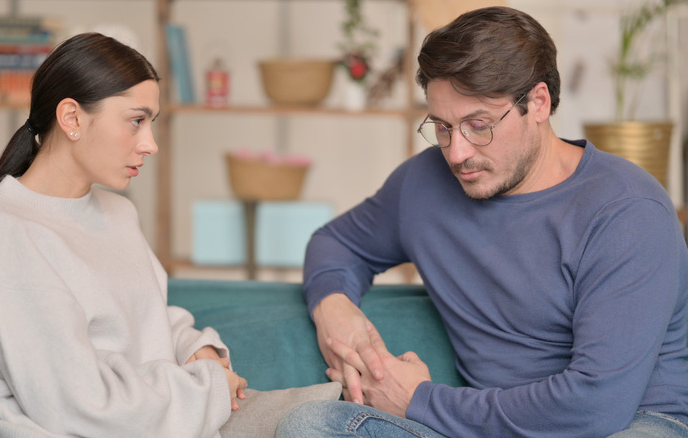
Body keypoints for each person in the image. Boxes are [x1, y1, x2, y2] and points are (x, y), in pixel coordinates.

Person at [276, 6, 688, 438]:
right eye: (442, 127)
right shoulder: (423, 184)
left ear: (539, 103)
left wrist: (418, 400)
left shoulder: (627, 211)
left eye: (479, 125)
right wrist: (333, 309)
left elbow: (595, 406)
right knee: (310, 426)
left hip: (630, 423)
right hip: (483, 425)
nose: (457, 153)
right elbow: (337, 243)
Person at [0, 32, 248, 437]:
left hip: (173, 417)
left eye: (151, 123)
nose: (150, 144)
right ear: (72, 118)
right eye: (136, 121)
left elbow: (144, 317)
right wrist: (208, 388)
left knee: (320, 413)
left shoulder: (118, 212)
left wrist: (193, 348)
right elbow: (76, 403)